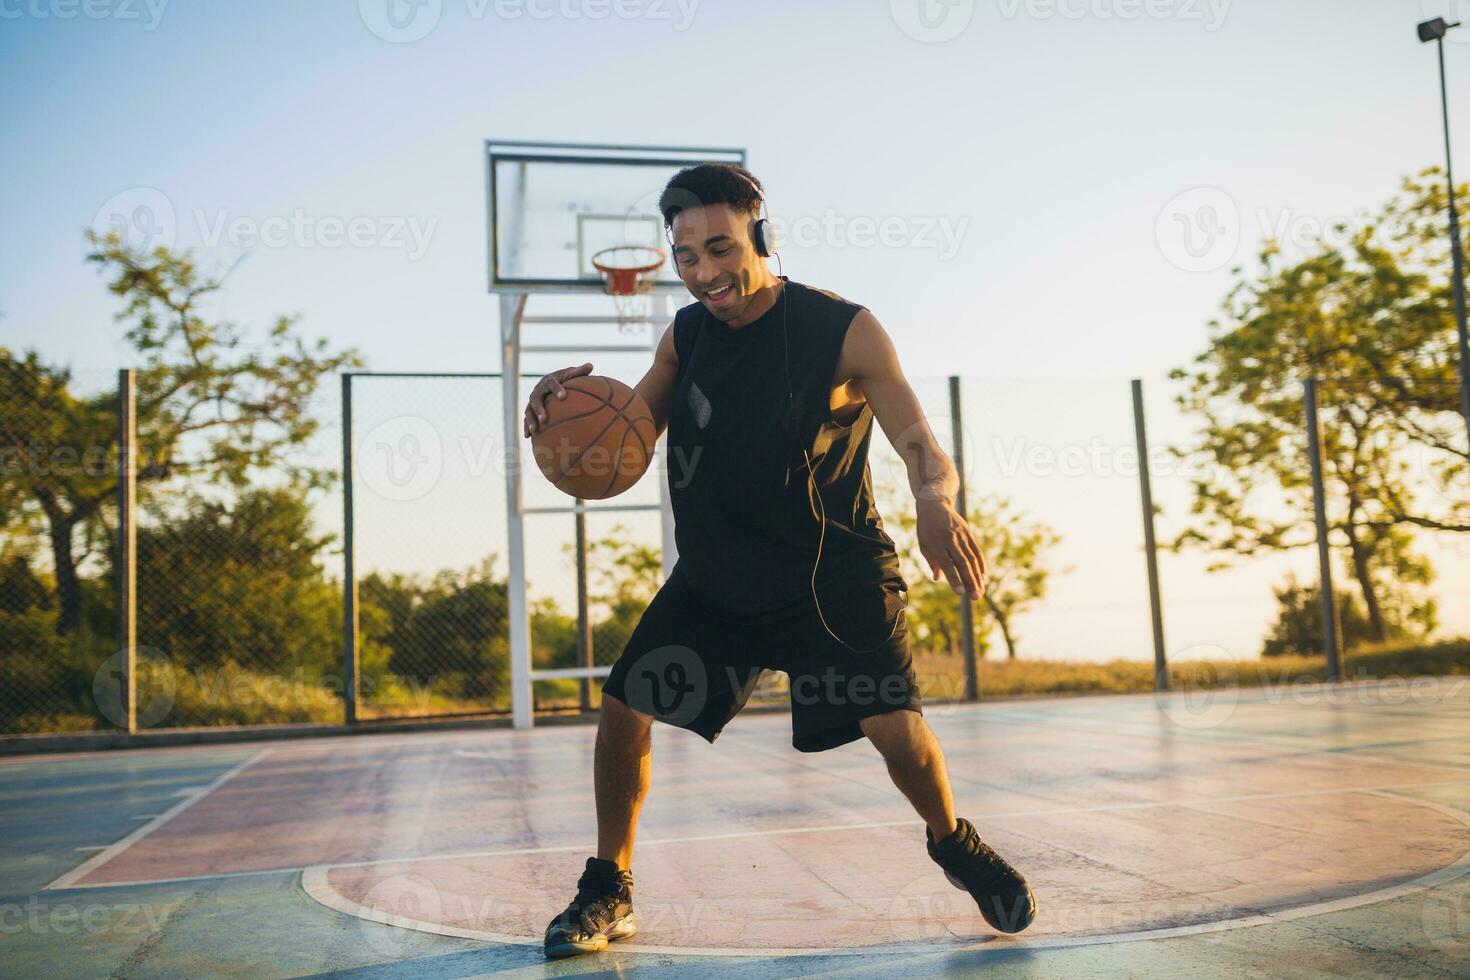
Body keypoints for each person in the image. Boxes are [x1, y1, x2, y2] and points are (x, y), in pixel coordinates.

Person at [524, 163, 1036, 958]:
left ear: (758, 235)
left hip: (831, 577)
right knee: (625, 710)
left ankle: (952, 842)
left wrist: (935, 499)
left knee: (897, 734)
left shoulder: (842, 329)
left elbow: (920, 448)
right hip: (720, 576)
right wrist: (558, 414)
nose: (704, 273)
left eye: (720, 249)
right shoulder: (685, 336)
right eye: (686, 257)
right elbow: (627, 440)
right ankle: (608, 887)